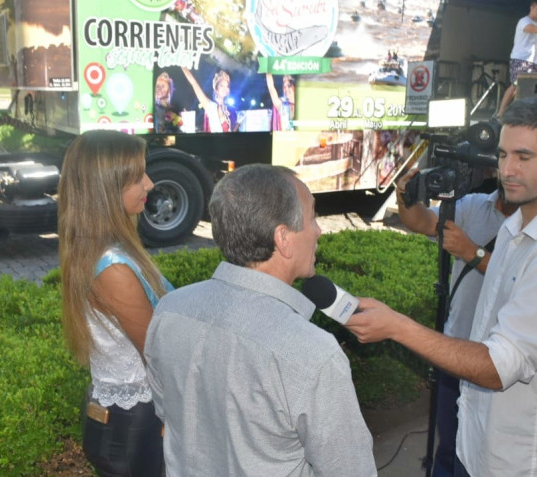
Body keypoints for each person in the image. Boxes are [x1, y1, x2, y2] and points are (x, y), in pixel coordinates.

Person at [346, 96, 537, 476]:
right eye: (503, 155)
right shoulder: (515, 225)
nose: (507, 169)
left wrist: (397, 326)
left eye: (523, 157)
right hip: (477, 444)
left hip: (520, 462)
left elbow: (498, 366)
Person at [144, 164, 376, 476]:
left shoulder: (171, 310)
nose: (318, 231)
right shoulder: (313, 354)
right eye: (312, 218)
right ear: (284, 238)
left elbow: (167, 412)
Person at [58, 130, 173, 477]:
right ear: (106, 188)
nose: (150, 184)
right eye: (137, 177)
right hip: (135, 423)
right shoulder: (113, 267)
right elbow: (157, 352)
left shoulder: (96, 251)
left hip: (121, 415)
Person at [394, 168, 517, 477]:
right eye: (505, 157)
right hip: (454, 352)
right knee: (448, 448)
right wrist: (405, 196)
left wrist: (472, 253)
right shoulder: (475, 205)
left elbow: (523, 284)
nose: (511, 168)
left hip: (497, 363)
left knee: (483, 458)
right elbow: (421, 221)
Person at [496, 0, 537, 118]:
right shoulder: (524, 21)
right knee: (515, 85)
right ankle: (500, 112)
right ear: (532, 7)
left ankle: (517, 112)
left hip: (533, 62)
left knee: (527, 88)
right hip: (520, 59)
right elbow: (532, 30)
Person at [181, 67, 237, 133]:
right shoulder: (210, 105)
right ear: (216, 89)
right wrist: (183, 66)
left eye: (226, 86)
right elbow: (194, 83)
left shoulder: (230, 110)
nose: (225, 88)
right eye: (222, 86)